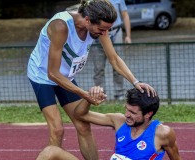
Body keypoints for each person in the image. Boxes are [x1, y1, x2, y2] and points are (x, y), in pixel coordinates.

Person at [27, 0, 156, 159]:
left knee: (83, 124)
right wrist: (85, 94)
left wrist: (136, 82)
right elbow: (52, 73)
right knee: (57, 129)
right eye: (102, 29)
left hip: (66, 76)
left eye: (107, 30)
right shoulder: (61, 26)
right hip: (43, 76)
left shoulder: (99, 28)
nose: (104, 33)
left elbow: (114, 59)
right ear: (87, 20)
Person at [36, 87, 182, 160]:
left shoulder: (163, 133)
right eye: (127, 109)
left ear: (148, 114)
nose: (127, 115)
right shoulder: (119, 121)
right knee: (51, 152)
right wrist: (88, 98)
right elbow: (80, 115)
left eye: (133, 113)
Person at [92, 0, 132, 100]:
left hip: (115, 32)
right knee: (98, 67)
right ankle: (100, 94)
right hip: (99, 34)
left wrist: (128, 36)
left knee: (117, 63)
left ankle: (119, 93)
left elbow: (125, 15)